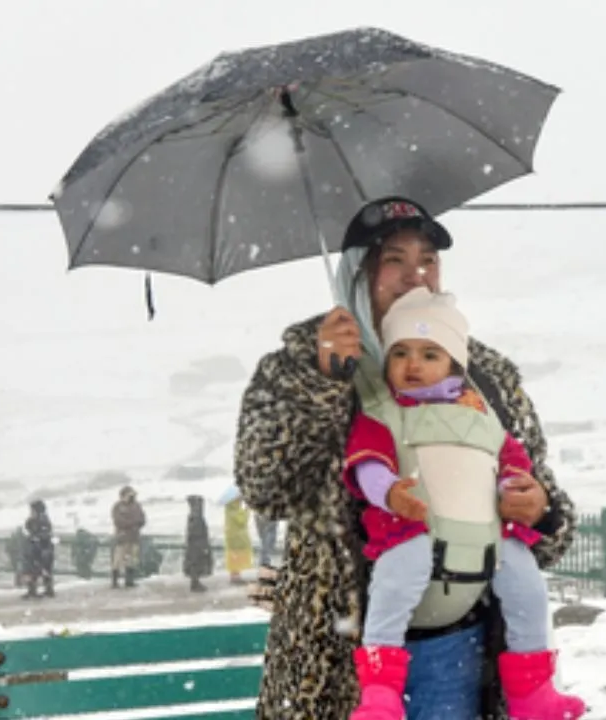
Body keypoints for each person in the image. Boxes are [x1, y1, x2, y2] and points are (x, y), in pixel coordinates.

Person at [235, 196, 578, 719]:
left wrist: (541, 510)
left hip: (459, 652)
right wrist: (323, 383)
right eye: (394, 259)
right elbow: (265, 486)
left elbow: (546, 501)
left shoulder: (483, 373)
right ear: (357, 272)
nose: (415, 275)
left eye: (428, 260)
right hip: (336, 658)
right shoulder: (304, 364)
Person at [343, 287, 585, 720]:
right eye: (400, 353)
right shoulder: (379, 408)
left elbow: (514, 456)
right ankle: (379, 689)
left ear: (454, 362)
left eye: (429, 354)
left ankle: (533, 691)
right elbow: (368, 463)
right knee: (396, 581)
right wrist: (389, 492)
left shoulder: (485, 407)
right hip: (412, 533)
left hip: (474, 583)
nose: (413, 365)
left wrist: (525, 494)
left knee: (526, 586)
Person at [110, 486, 146, 589]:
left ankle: (129, 581)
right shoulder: (117, 507)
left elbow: (142, 519)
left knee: (131, 560)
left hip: (134, 537)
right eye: (129, 495)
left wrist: (134, 524)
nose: (131, 497)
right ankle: (115, 581)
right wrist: (133, 524)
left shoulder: (137, 506)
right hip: (122, 538)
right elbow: (118, 521)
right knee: (118, 559)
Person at [21, 500, 55, 600]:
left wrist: (37, 539)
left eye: (32, 510)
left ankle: (45, 589)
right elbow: (28, 527)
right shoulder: (34, 520)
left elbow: (44, 535)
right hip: (35, 549)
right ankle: (34, 589)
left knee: (42, 569)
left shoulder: (43, 521)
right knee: (34, 570)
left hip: (42, 549)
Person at [184, 495, 213, 593]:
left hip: (194, 544)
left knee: (195, 563)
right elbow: (198, 532)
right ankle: (195, 583)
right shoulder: (196, 516)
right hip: (197, 544)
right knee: (196, 563)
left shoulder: (192, 516)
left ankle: (195, 582)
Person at [223, 496, 253, 584]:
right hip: (237, 538)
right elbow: (242, 520)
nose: (240, 502)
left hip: (231, 537)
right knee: (237, 557)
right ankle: (235, 578)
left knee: (234, 557)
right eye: (239, 500)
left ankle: (235, 576)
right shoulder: (234, 510)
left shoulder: (229, 509)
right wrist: (247, 510)